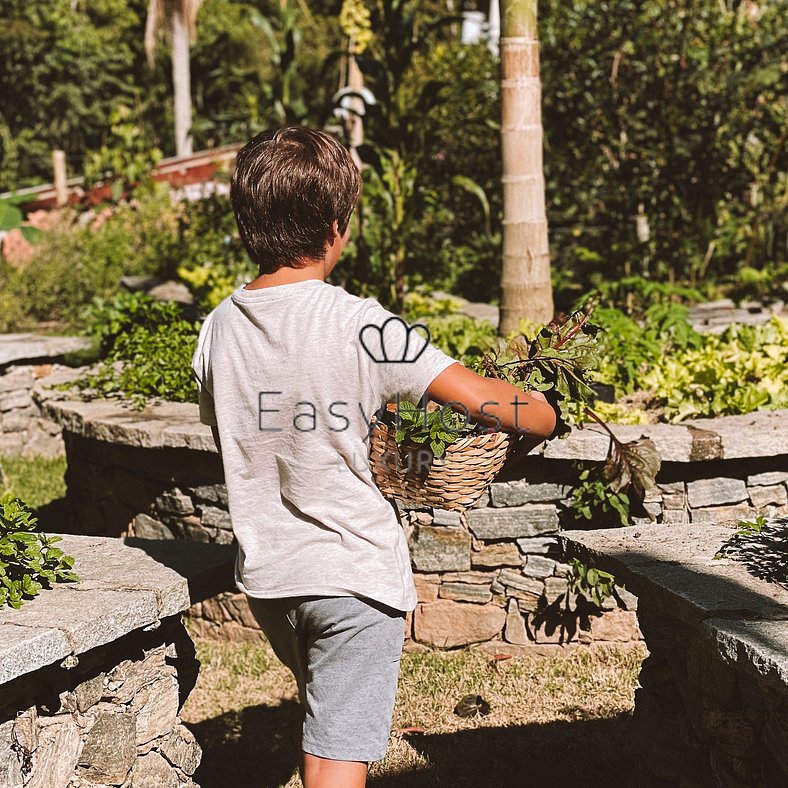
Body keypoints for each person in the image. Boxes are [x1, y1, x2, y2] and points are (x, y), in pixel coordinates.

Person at [191, 126, 556, 788]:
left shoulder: (217, 330)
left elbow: (241, 431)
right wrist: (544, 411)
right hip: (352, 575)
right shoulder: (360, 323)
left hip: (274, 579)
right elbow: (487, 401)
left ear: (247, 222)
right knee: (342, 755)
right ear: (336, 228)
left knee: (325, 731)